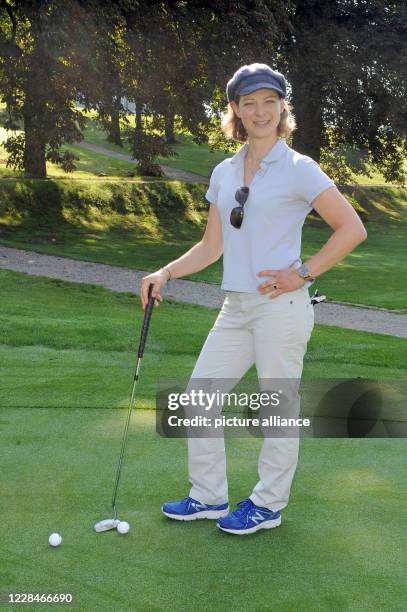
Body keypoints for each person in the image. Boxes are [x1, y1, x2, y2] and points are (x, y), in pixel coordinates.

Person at [140, 63, 367, 535]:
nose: (260, 111)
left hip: (280, 309)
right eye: (249, 102)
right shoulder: (224, 171)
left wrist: (301, 273)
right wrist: (166, 272)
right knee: (198, 397)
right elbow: (212, 246)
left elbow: (352, 229)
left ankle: (267, 504)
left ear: (283, 107)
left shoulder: (300, 169)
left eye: (269, 101)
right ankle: (207, 496)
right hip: (235, 307)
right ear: (235, 111)